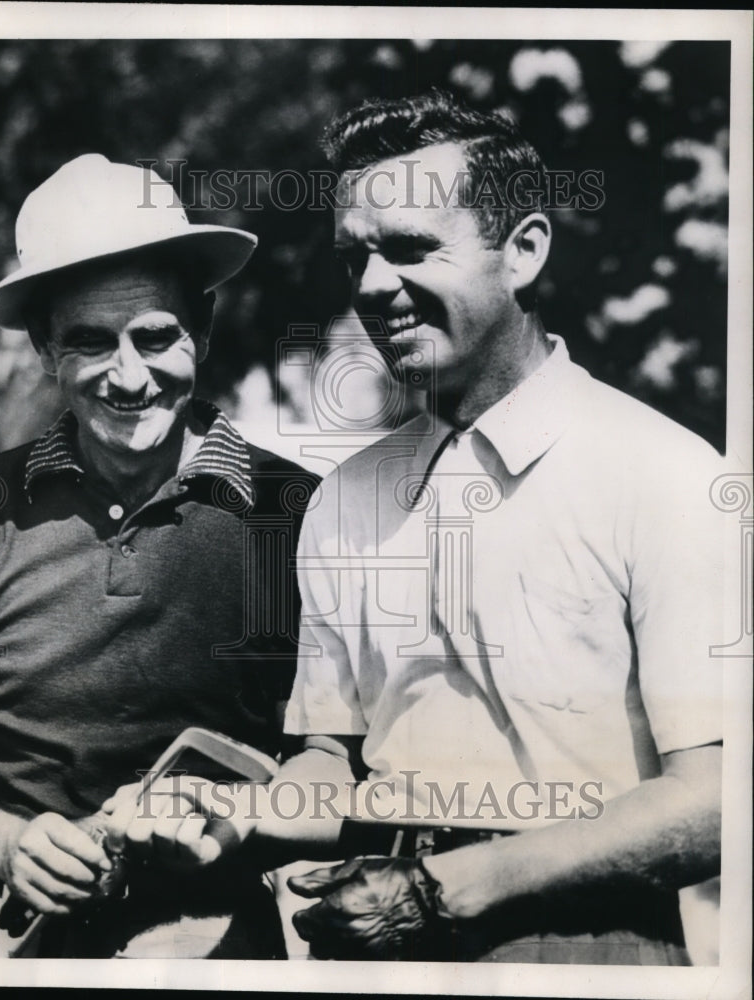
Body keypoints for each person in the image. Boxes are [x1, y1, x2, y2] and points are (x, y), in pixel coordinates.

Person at [161, 93, 726, 964]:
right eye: (356, 258)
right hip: (363, 942)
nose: (375, 287)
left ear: (525, 250)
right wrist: (238, 816)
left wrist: (447, 889)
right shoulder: (347, 493)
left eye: (413, 248)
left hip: (586, 952)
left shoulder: (671, 474)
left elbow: (718, 797)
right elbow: (329, 760)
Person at [0, 153, 317, 959]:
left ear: (204, 330)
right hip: (5, 934)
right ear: (46, 349)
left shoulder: (298, 514)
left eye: (156, 336)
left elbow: (335, 767)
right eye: (90, 342)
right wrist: (5, 845)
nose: (129, 376)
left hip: (218, 945)